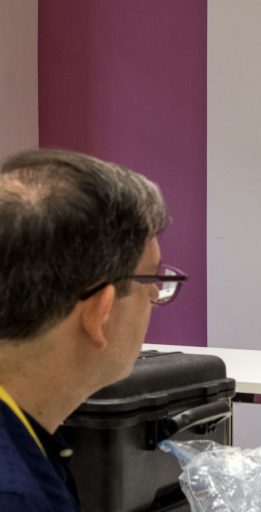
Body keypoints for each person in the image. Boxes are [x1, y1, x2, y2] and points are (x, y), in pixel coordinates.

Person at [0, 149, 184, 510]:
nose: (155, 295)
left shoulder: (26, 439)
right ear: (99, 312)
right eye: (151, 278)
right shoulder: (17, 497)